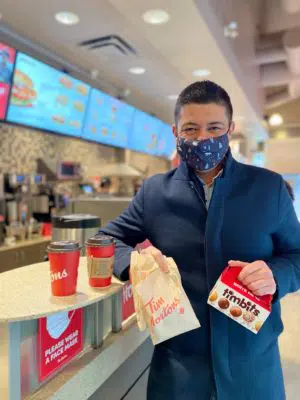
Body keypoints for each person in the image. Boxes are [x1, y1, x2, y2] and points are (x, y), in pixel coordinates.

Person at [99, 81, 300, 400]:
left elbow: (297, 254)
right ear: (175, 131)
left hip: (252, 371)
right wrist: (134, 267)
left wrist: (275, 276)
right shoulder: (155, 193)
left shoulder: (268, 189)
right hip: (178, 372)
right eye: (191, 129)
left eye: (214, 127)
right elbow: (106, 239)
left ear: (230, 129)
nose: (202, 139)